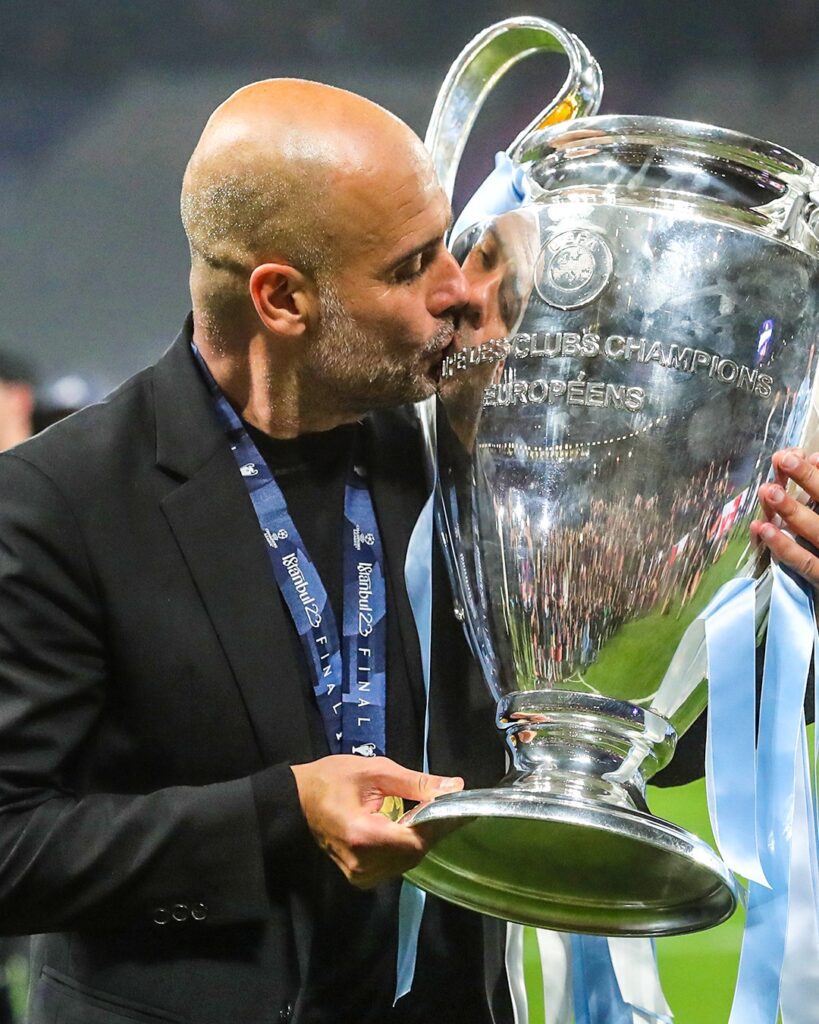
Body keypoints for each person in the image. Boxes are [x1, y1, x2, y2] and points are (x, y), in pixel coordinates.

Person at [0, 80, 514, 1024]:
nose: (455, 288)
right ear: (282, 299)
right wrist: (282, 817)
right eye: (410, 267)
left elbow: (609, 732)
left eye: (445, 243)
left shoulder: (456, 468)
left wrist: (780, 608)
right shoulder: (56, 504)